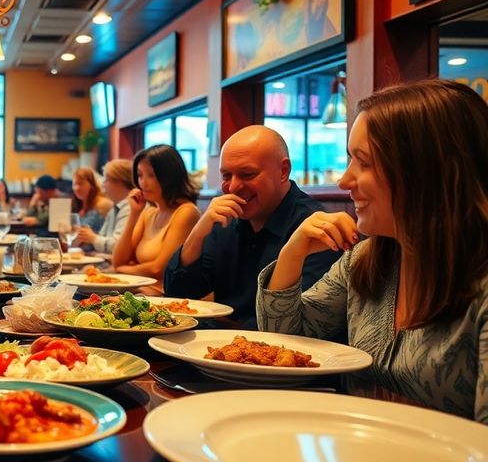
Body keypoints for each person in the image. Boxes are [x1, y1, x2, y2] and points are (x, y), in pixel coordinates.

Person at [257, 80, 488, 423]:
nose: (344, 180)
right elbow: (285, 342)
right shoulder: (365, 259)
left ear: (425, 171)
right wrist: (294, 249)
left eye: (362, 162)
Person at [164, 125, 338, 327]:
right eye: (226, 176)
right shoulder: (226, 218)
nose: (234, 187)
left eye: (247, 174)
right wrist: (197, 233)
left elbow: (296, 322)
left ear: (283, 171)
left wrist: (227, 326)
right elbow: (178, 294)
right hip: (215, 343)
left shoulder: (314, 228)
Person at [111, 146, 200, 293]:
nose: (143, 183)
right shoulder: (149, 213)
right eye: (140, 175)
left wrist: (123, 269)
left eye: (151, 175)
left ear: (170, 176)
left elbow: (158, 268)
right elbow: (117, 260)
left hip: (167, 295)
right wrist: (134, 213)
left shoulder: (186, 212)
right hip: (140, 289)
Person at [72, 159, 134, 254]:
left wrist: (92, 238)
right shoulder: (114, 209)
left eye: (106, 180)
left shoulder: (130, 208)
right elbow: (101, 238)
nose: (103, 184)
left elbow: (117, 246)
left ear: (120, 181)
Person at [70, 167, 113, 233]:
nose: (77, 188)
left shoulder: (103, 205)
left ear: (92, 184)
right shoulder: (78, 206)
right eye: (74, 184)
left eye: (81, 183)